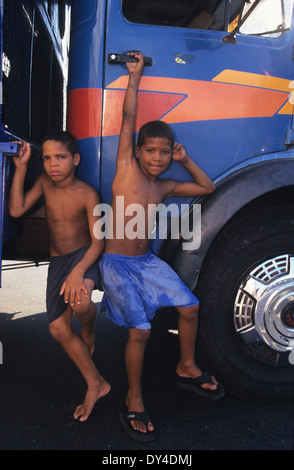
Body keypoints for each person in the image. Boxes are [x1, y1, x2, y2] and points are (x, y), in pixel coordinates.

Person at [99, 52, 224, 442]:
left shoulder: (165, 185)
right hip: (118, 264)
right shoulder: (126, 168)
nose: (157, 157)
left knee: (190, 306)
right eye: (151, 150)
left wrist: (186, 161)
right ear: (137, 152)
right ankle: (133, 398)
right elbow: (128, 120)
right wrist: (133, 78)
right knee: (140, 332)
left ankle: (186, 366)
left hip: (146, 262)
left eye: (164, 152)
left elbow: (208, 188)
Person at [9, 131, 110, 422]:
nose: (54, 165)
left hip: (84, 256)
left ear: (75, 159)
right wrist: (22, 168)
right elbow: (16, 208)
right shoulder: (44, 183)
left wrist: (78, 272)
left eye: (61, 158)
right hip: (58, 261)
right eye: (48, 159)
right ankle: (98, 382)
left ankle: (89, 329)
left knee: (80, 303)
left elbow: (98, 242)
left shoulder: (88, 194)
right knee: (57, 330)